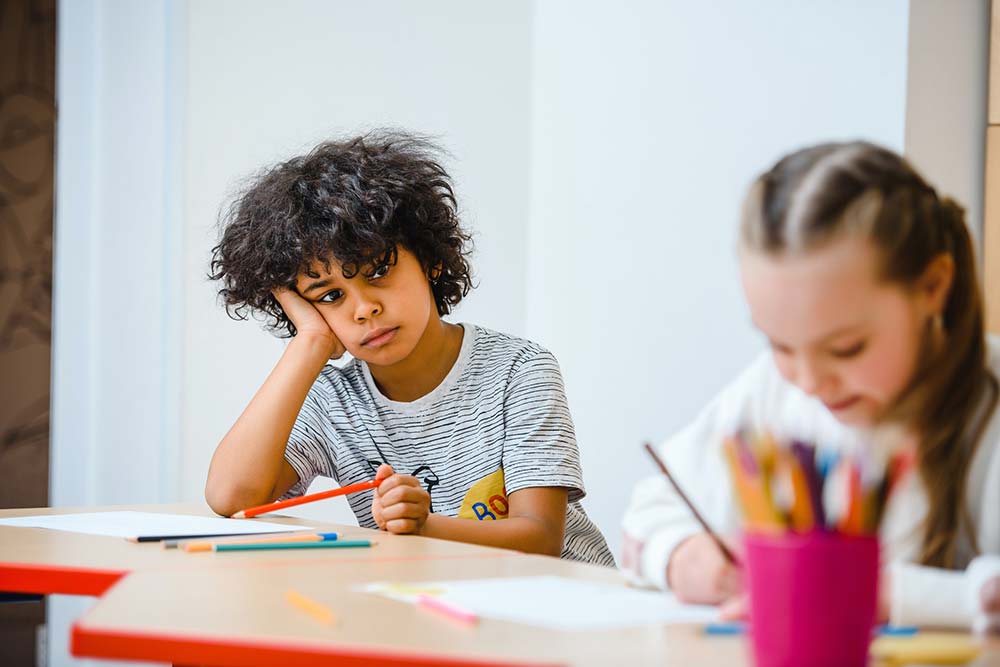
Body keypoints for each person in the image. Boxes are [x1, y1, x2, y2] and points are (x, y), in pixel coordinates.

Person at [622, 141, 1000, 628]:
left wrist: (883, 594)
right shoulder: (773, 391)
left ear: (932, 288)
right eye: (779, 345)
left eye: (846, 349)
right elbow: (648, 511)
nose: (809, 381)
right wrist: (682, 556)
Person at [205, 131, 614, 566]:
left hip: (565, 604)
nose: (364, 309)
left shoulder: (519, 370)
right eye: (329, 297)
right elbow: (231, 497)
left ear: (430, 258)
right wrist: (308, 343)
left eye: (378, 271)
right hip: (440, 610)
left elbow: (541, 539)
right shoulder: (334, 400)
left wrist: (425, 527)